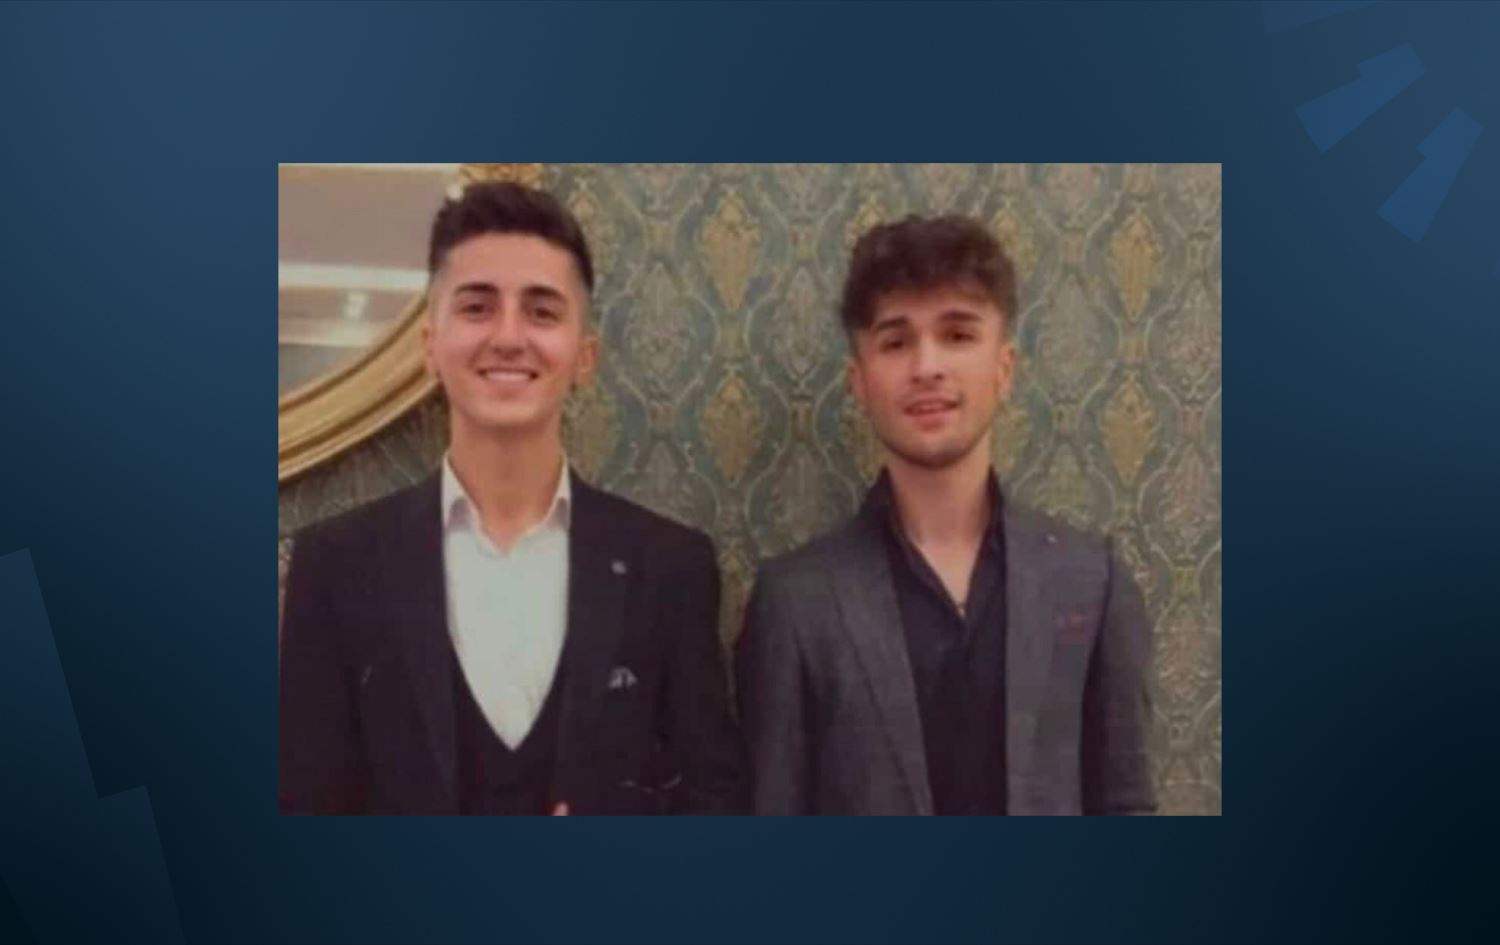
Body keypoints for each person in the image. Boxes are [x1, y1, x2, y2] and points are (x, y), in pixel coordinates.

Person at [280, 182, 745, 815]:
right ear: (429, 348)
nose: (507, 336)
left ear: (585, 357)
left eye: (542, 312)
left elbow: (716, 804)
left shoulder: (671, 566)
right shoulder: (336, 564)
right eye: (477, 307)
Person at [735, 214, 1155, 815]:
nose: (926, 366)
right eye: (896, 341)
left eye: (957, 335)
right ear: (859, 382)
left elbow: (1127, 805)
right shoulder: (795, 601)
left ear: (1004, 369)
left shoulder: (1091, 581)